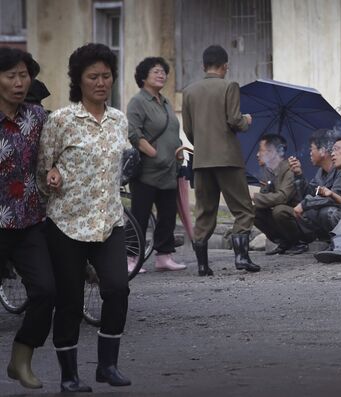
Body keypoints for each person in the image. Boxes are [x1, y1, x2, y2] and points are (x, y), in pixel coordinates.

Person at [38, 43, 131, 392]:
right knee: (70, 301)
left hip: (109, 221)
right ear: (79, 80)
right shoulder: (61, 121)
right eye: (93, 76)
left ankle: (107, 365)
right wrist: (52, 176)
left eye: (106, 76)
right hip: (66, 223)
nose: (101, 82)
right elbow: (41, 170)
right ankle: (69, 376)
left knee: (118, 290)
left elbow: (122, 163)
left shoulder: (119, 120)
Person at [0, 47, 55, 390]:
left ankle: (21, 358)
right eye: (10, 76)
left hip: (29, 220)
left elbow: (55, 155)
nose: (19, 83)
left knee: (46, 292)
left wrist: (56, 172)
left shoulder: (38, 117)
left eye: (24, 75)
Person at [182, 44, 260, 275]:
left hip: (202, 159)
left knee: (205, 211)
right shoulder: (230, 86)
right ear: (225, 66)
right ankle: (241, 257)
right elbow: (235, 120)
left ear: (203, 66)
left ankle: (203, 266)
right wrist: (246, 120)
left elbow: (188, 130)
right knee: (243, 209)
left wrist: (203, 146)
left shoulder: (189, 91)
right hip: (228, 158)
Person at [126, 57, 186, 272]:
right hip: (147, 170)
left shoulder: (166, 101)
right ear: (144, 77)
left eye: (163, 72)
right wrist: (154, 152)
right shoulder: (138, 102)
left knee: (168, 214)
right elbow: (133, 132)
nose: (161, 75)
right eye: (156, 72)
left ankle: (164, 256)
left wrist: (177, 150)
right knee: (140, 215)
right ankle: (131, 259)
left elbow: (171, 130)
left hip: (170, 169)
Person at [253, 134, 307, 254]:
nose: (257, 155)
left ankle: (298, 243)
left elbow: (283, 197)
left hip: (300, 218)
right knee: (253, 211)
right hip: (281, 215)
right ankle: (284, 242)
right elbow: (265, 200)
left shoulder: (290, 168)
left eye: (261, 150)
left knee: (279, 210)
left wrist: (255, 197)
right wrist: (265, 189)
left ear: (272, 153)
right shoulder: (267, 172)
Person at [289, 129, 341, 242]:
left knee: (327, 212)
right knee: (306, 212)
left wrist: (305, 204)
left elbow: (334, 197)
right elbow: (309, 193)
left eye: (312, 149)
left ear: (323, 151)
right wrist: (298, 174)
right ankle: (326, 239)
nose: (310, 153)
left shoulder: (340, 170)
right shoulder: (320, 173)